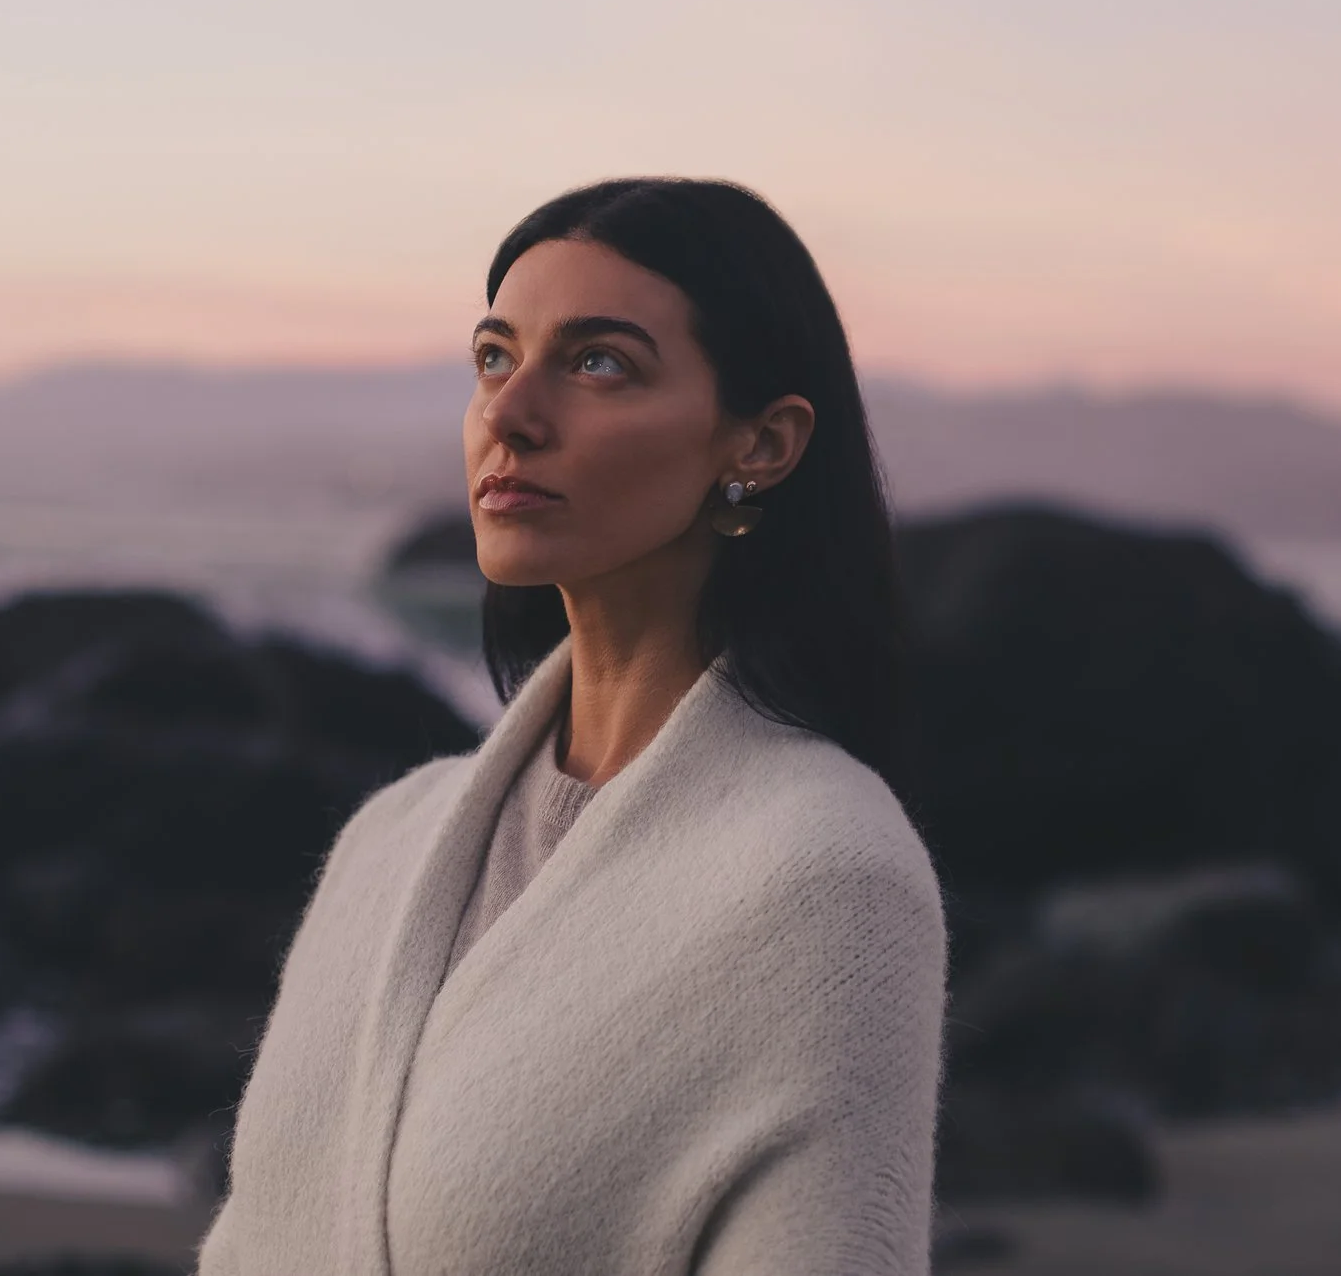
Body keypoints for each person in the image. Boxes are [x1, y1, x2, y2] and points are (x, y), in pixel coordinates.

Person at [196, 178, 948, 1275]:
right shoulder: (384, 841)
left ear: (763, 443)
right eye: (495, 357)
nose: (510, 413)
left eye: (599, 362)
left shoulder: (825, 876)